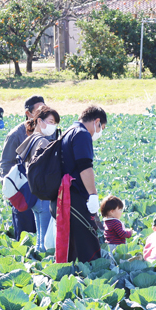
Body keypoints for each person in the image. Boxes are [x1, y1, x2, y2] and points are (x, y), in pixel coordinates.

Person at [52, 105, 107, 263]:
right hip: (74, 196)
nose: (100, 132)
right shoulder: (82, 134)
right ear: (96, 121)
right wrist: (93, 195)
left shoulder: (69, 131)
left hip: (64, 194)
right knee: (88, 242)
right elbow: (85, 167)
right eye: (101, 127)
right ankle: (93, 276)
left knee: (73, 243)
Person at [0, 96, 46, 240]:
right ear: (28, 113)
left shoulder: (48, 130)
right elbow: (5, 164)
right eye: (40, 110)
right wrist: (12, 192)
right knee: (25, 238)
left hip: (44, 194)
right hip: (24, 194)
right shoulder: (15, 135)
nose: (44, 112)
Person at [16, 106, 61, 252]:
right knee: (45, 241)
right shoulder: (42, 142)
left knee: (40, 239)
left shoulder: (31, 139)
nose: (53, 126)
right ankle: (43, 265)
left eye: (55, 123)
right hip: (43, 196)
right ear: (40, 121)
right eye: (51, 121)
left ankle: (36, 264)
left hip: (32, 194)